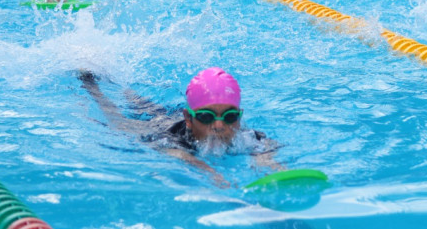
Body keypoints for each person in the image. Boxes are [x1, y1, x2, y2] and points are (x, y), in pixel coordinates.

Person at [79, 66, 282, 186]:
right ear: (189, 118)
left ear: (239, 118)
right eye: (206, 117)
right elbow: (184, 159)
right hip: (156, 127)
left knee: (143, 102)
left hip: (173, 116)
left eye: (229, 117)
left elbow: (267, 155)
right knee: (120, 115)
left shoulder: (248, 137)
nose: (219, 125)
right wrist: (216, 178)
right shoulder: (172, 143)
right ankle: (90, 79)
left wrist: (272, 169)